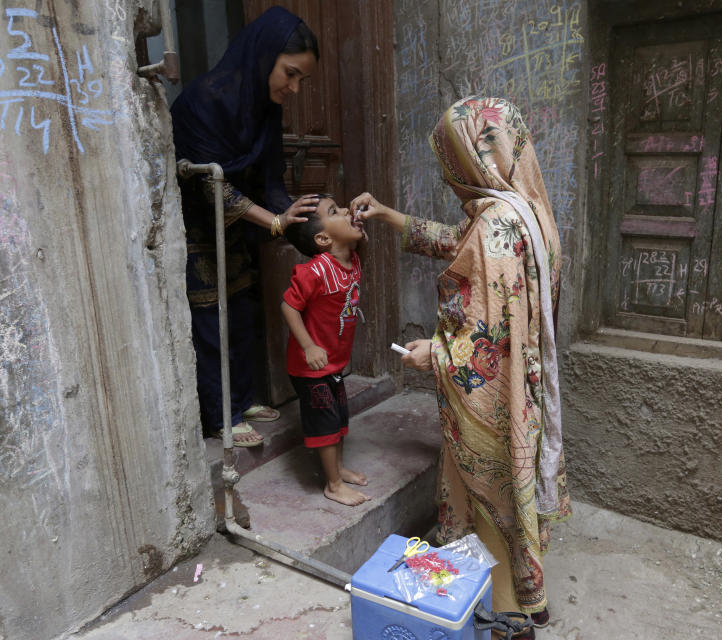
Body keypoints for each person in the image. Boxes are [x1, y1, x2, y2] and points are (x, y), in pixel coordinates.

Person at [352, 96, 571, 635]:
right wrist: (388, 215)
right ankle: (524, 596)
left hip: (492, 405)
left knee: (490, 501)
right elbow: (460, 244)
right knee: (513, 499)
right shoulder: (526, 210)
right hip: (527, 392)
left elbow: (485, 347)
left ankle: (506, 618)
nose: (451, 176)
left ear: (472, 159)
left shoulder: (496, 227)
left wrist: (435, 354)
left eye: (451, 161)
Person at [170, 8, 321, 446]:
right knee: (210, 321)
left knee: (242, 312)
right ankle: (221, 415)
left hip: (239, 229)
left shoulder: (262, 107)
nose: (292, 88)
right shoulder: (204, 100)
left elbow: (269, 179)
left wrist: (307, 227)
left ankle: (245, 397)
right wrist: (274, 220)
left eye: (301, 81)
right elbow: (209, 184)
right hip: (198, 228)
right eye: (289, 74)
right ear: (264, 56)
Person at [281, 196, 370, 506]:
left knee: (340, 417)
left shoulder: (352, 259)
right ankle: (332, 484)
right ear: (322, 238)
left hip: (334, 363)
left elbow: (356, 238)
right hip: (310, 367)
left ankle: (339, 469)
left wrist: (356, 226)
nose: (347, 210)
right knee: (326, 422)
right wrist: (308, 345)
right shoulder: (315, 271)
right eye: (335, 211)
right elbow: (288, 307)